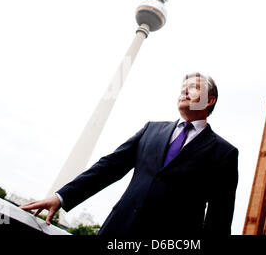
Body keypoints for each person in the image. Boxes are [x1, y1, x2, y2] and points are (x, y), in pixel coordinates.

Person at [21, 72, 238, 237]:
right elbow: (108, 167)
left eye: (192, 87)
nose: (184, 91)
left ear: (210, 100)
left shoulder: (224, 153)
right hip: (117, 230)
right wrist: (62, 197)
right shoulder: (151, 130)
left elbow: (219, 219)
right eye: (182, 87)